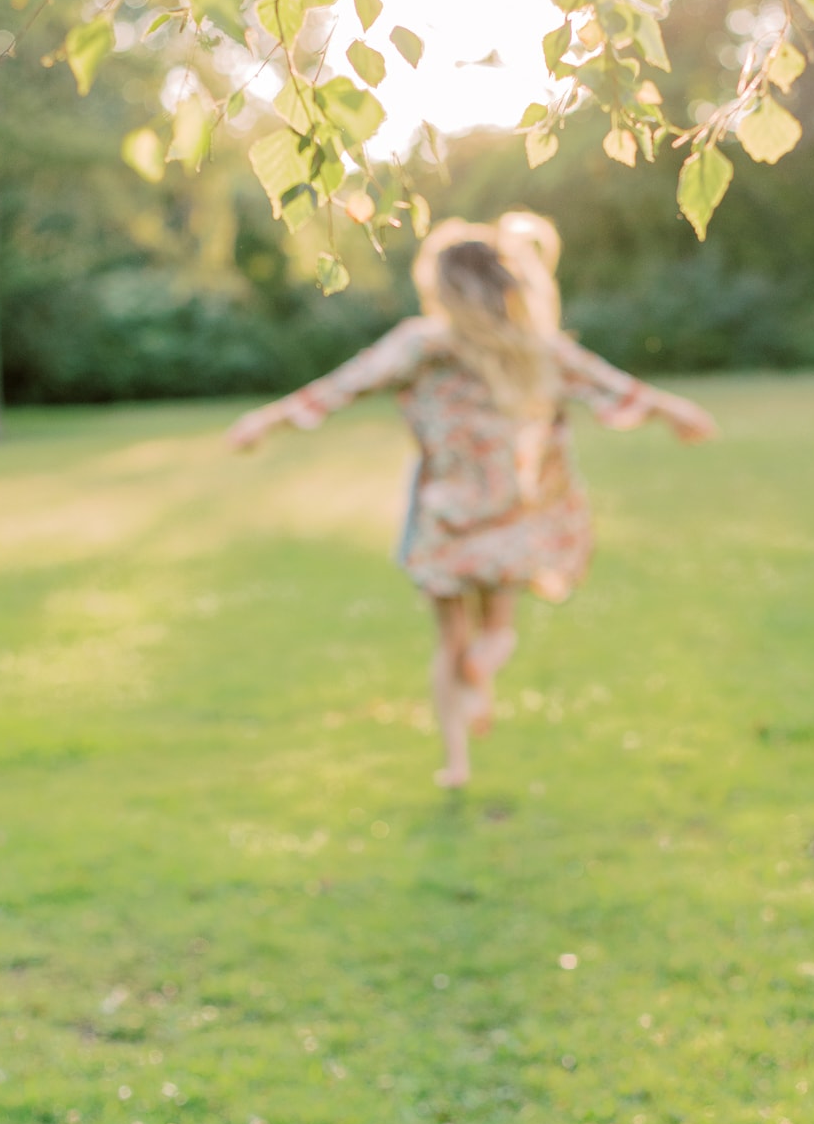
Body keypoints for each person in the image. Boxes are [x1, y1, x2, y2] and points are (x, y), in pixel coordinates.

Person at [227, 212, 717, 788]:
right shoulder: (530, 349)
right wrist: (674, 410)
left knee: (449, 641)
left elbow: (343, 385)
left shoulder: (423, 344)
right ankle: (483, 672)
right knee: (493, 634)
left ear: (442, 287)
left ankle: (456, 760)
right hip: (510, 513)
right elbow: (610, 384)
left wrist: (268, 420)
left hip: (445, 513)